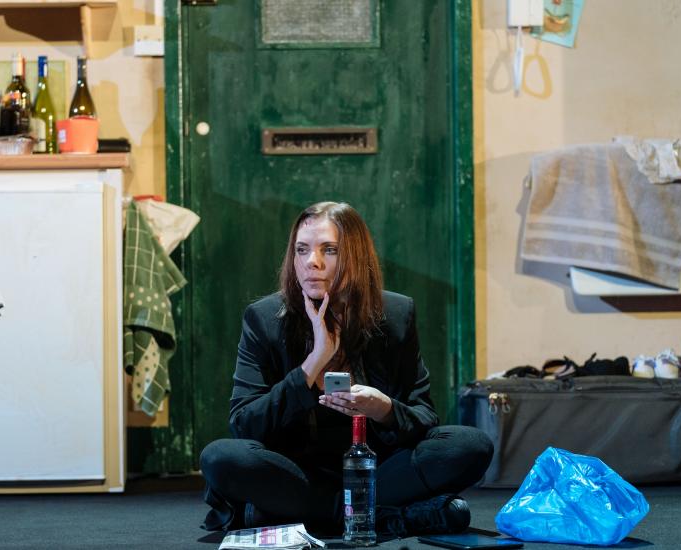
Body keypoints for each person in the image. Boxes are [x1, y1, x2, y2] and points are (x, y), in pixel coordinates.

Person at [200, 201, 493, 537]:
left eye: (330, 250)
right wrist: (312, 364)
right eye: (302, 250)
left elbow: (424, 419)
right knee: (220, 457)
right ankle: (379, 515)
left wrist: (382, 409)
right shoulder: (265, 319)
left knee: (469, 445)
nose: (312, 262)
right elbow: (245, 425)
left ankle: (318, 515)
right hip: (297, 473)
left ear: (356, 257)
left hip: (378, 472)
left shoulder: (396, 314)